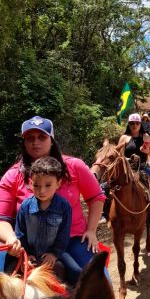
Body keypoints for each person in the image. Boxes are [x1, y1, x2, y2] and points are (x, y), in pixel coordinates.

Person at [0, 115, 105, 274]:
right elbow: (2, 217)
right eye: (30, 138)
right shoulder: (13, 175)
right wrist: (11, 239)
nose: (36, 142)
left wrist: (91, 230)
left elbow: (96, 197)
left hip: (72, 239)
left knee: (98, 280)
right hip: (25, 244)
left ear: (52, 139)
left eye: (42, 137)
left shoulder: (74, 166)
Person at [15, 156, 82, 285]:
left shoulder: (64, 207)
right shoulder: (25, 207)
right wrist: (26, 254)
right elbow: (20, 233)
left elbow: (63, 235)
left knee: (76, 272)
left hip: (54, 252)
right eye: (36, 185)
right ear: (30, 183)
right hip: (31, 253)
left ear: (58, 183)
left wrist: (54, 254)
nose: (42, 191)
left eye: (48, 185)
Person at [117, 113, 150, 230]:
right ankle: (106, 214)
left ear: (140, 124)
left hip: (142, 167)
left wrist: (146, 151)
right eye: (132, 123)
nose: (134, 125)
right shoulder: (124, 138)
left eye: (137, 123)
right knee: (107, 185)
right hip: (126, 168)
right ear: (129, 124)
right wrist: (128, 159)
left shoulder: (146, 136)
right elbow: (119, 155)